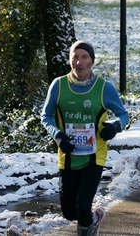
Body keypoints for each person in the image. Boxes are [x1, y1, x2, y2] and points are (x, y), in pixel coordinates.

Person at [41, 40, 129, 236]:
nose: (79, 63)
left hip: (94, 156)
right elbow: (45, 116)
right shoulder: (58, 85)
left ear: (92, 61)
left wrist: (115, 127)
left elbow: (124, 115)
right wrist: (58, 136)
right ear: (70, 60)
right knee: (70, 212)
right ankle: (95, 219)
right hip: (68, 156)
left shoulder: (104, 88)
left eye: (84, 57)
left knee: (82, 206)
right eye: (75, 57)